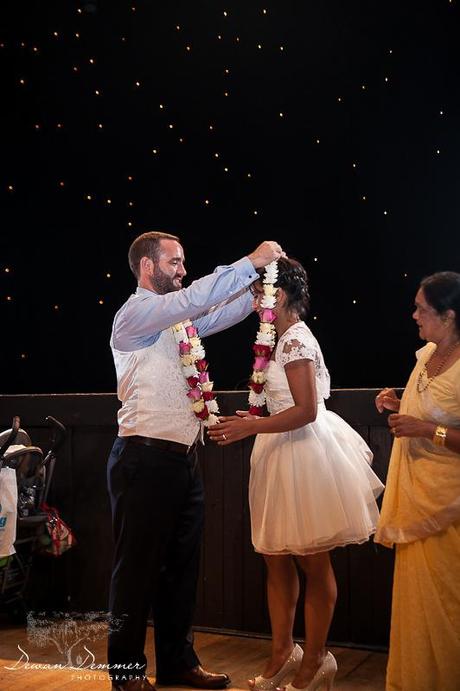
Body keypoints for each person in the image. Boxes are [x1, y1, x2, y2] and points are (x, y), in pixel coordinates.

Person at [107, 231, 284, 691]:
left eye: (183, 264)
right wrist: (250, 259)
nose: (182, 271)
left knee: (181, 569)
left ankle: (177, 663)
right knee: (136, 571)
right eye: (174, 263)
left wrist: (257, 293)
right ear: (148, 266)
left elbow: (215, 312)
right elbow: (197, 297)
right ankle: (125, 674)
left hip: (184, 458)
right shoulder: (137, 314)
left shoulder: (177, 322)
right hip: (142, 458)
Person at [207, 257, 384, 691]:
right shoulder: (277, 339)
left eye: (257, 294)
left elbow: (305, 411)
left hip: (305, 454)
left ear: (279, 296)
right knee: (275, 559)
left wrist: (250, 426)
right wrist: (248, 421)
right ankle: (283, 652)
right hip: (276, 451)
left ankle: (317, 659)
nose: (253, 303)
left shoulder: (295, 340)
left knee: (311, 560)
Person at [374, 271, 460, 691]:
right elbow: (425, 406)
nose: (413, 315)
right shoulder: (426, 355)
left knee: (450, 605)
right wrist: (396, 402)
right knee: (416, 605)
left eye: (421, 309)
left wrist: (427, 431)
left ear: (448, 316)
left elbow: (435, 425)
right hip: (416, 502)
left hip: (450, 507)